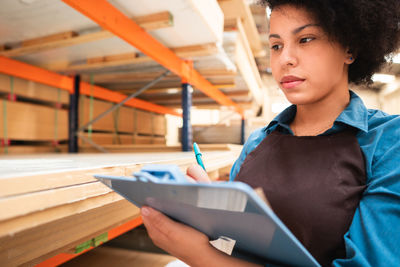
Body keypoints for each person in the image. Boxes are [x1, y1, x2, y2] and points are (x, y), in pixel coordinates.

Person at [140, 0, 400, 266]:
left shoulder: (388, 142)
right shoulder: (257, 142)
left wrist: (203, 256)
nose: (285, 59)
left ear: (350, 48)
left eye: (306, 39)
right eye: (276, 46)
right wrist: (208, 219)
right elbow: (235, 245)